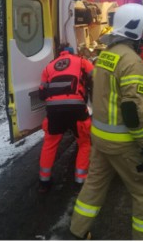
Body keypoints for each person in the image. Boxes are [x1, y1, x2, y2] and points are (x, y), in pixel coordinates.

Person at [68, 3, 143, 240]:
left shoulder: (106, 56)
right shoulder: (132, 63)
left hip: (100, 141)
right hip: (124, 144)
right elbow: (133, 112)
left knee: (93, 186)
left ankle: (76, 233)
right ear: (134, 30)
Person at [38, 45, 94, 192]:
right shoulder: (81, 61)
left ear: (59, 54)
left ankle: (44, 181)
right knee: (84, 143)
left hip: (54, 110)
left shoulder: (48, 67)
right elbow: (96, 77)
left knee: (50, 144)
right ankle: (80, 180)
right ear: (72, 52)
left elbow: (42, 94)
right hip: (76, 108)